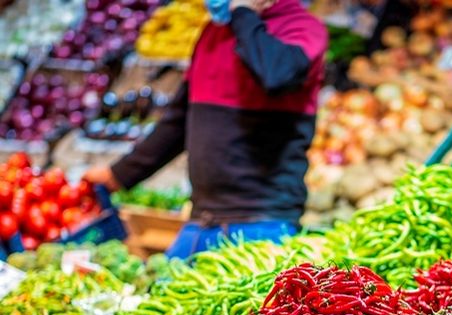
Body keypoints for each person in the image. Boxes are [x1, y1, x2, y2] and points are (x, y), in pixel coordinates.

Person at [84, 0, 328, 258]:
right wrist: (118, 175)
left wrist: (243, 13)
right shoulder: (214, 32)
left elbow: (277, 74)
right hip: (202, 220)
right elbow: (178, 122)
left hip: (263, 222)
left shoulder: (303, 28)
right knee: (160, 292)